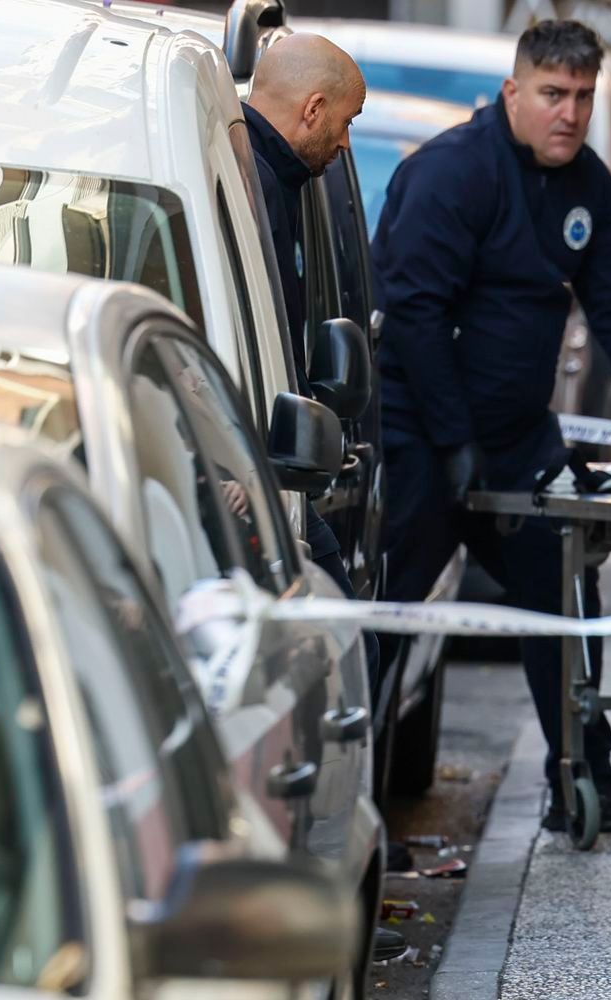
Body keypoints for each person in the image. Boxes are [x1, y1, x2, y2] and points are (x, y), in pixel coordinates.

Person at [370, 20, 611, 833]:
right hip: (423, 431)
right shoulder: (450, 173)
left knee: (565, 592)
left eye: (583, 96)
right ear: (513, 92)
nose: (570, 113)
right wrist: (452, 443)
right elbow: (414, 315)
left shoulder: (586, 183)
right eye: (553, 94)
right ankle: (350, 810)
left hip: (518, 435)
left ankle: (584, 776)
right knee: (388, 616)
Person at [240, 32, 368, 598]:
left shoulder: (262, 173)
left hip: (259, 469)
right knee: (351, 636)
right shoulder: (254, 183)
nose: (344, 142)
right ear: (314, 109)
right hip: (255, 474)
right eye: (346, 121)